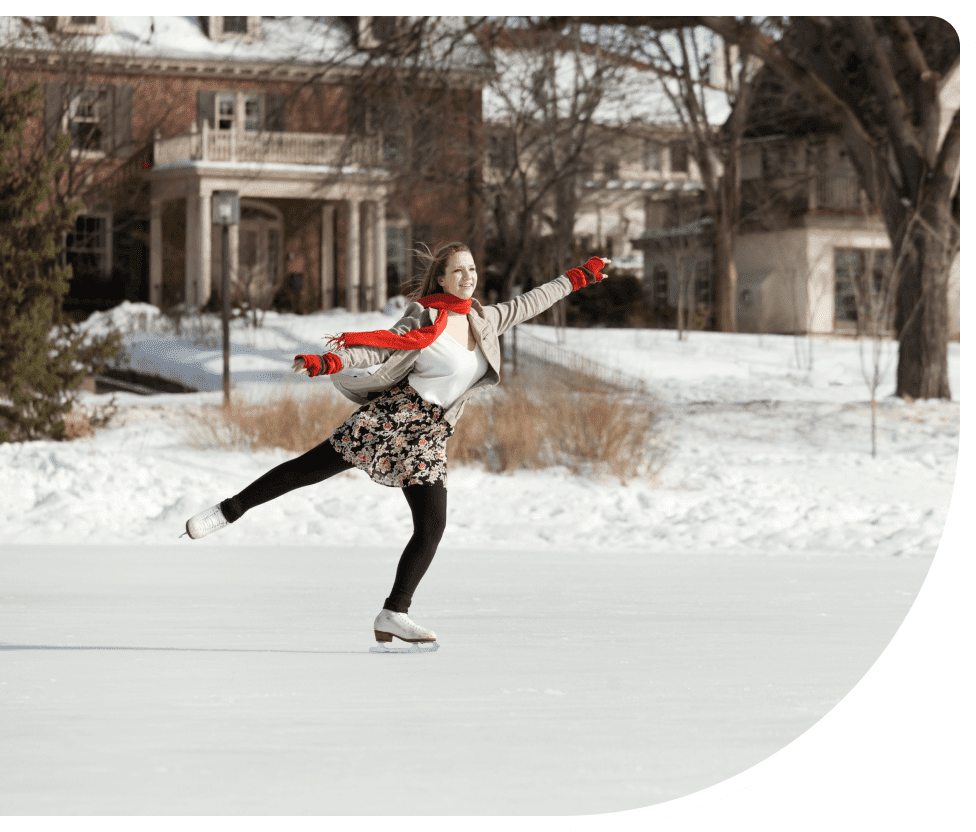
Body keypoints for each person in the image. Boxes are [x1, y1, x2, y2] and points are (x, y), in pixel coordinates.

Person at [185, 243, 610, 648]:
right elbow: (379, 346)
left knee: (432, 526)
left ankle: (393, 614)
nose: (468, 277)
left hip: (431, 434)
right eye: (458, 270)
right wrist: (331, 361)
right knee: (307, 469)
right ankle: (228, 510)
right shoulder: (424, 317)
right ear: (442, 280)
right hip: (394, 415)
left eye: (473, 269)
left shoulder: (487, 319)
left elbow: (534, 300)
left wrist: (578, 277)